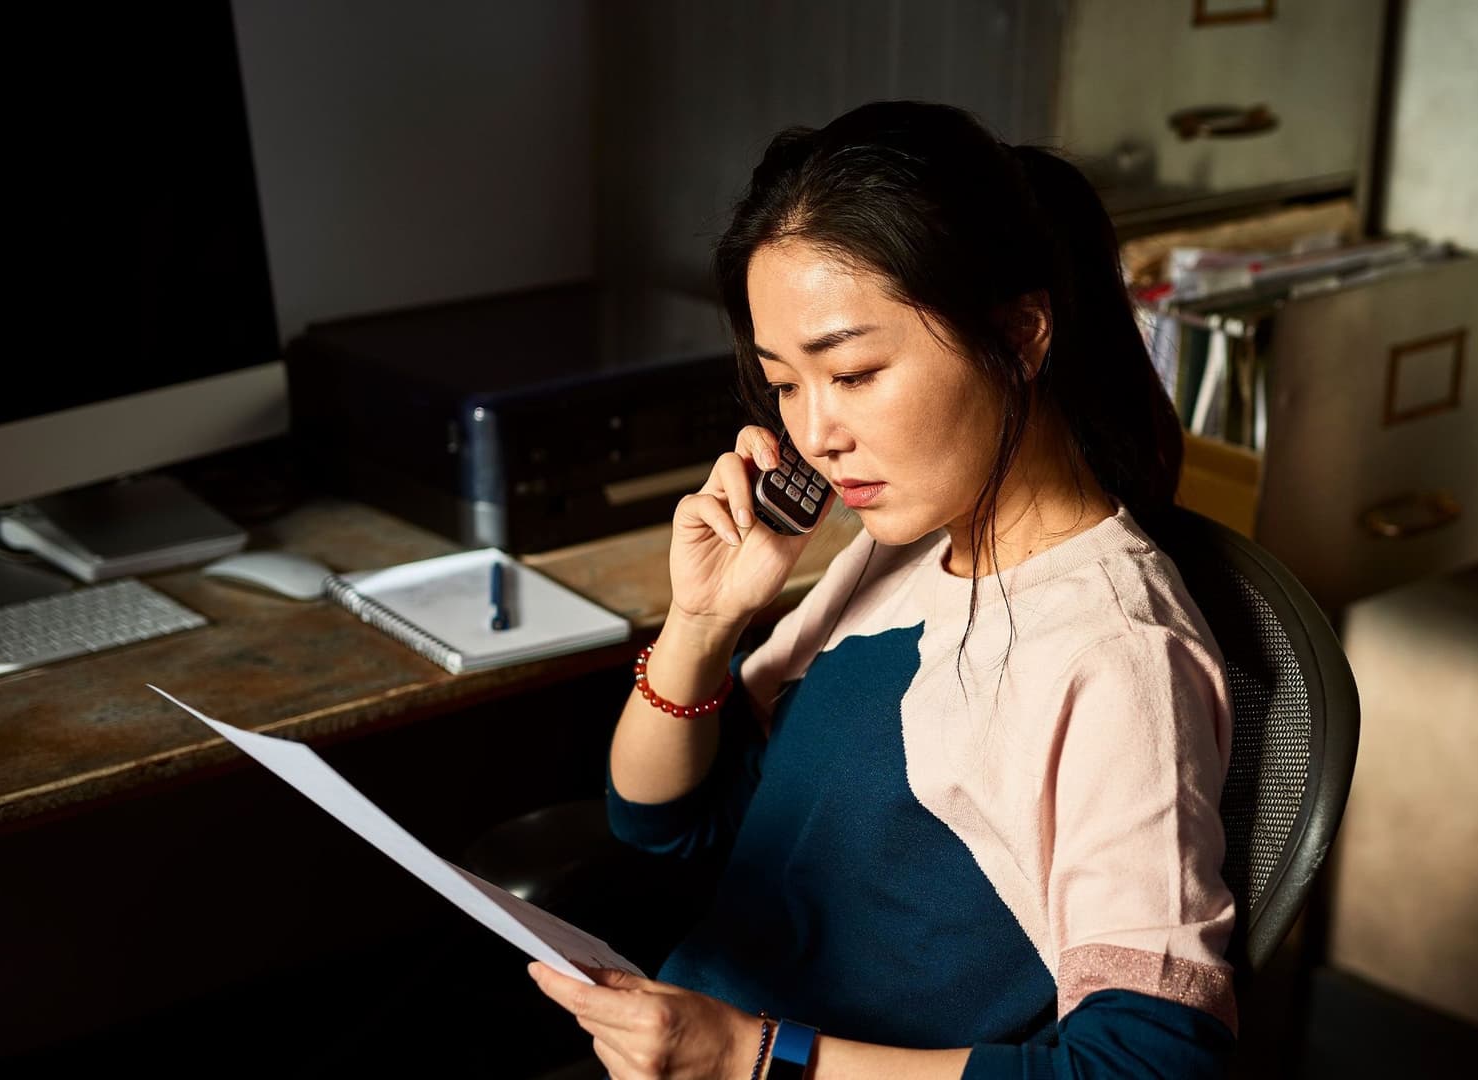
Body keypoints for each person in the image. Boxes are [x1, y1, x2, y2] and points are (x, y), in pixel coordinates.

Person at [528, 100, 1238, 1080]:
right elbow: (663, 824)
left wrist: (752, 1057)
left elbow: (1146, 1066)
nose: (816, 435)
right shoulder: (900, 544)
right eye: (785, 384)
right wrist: (702, 621)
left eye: (855, 373)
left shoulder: (1115, 655)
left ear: (1020, 334)